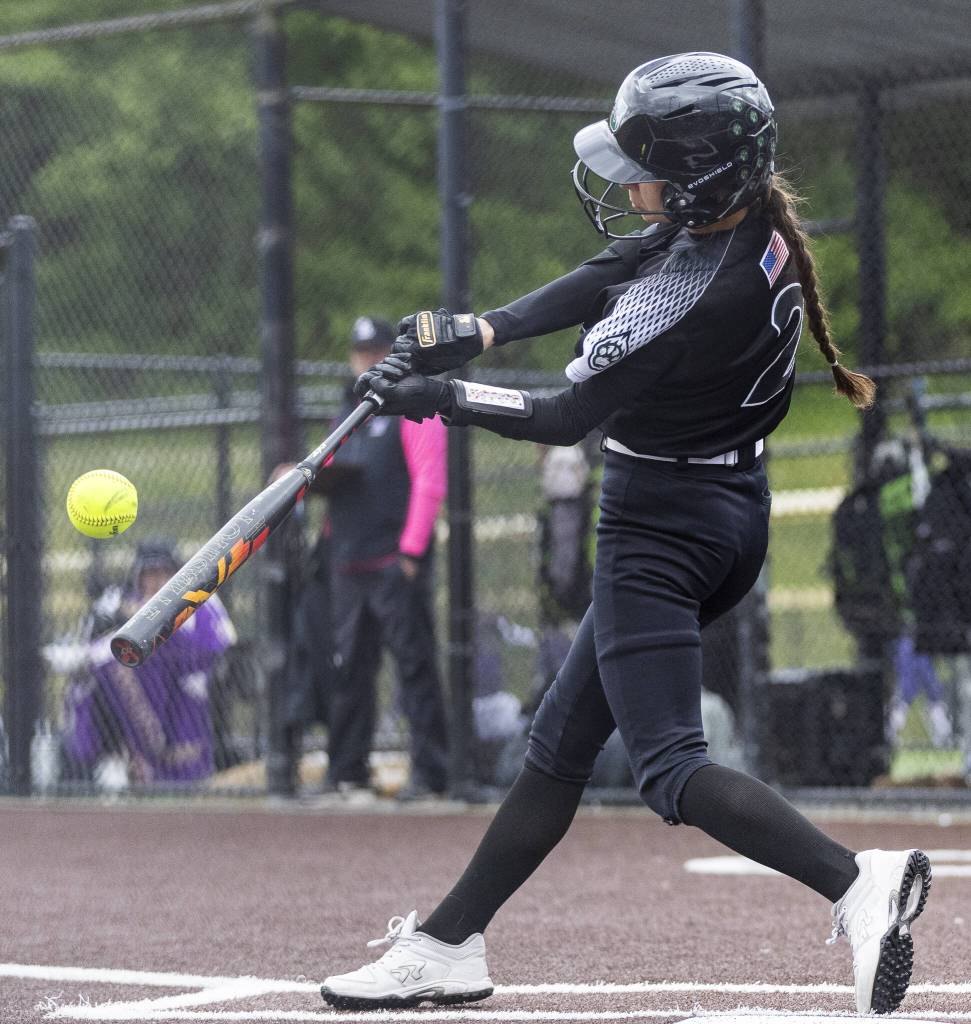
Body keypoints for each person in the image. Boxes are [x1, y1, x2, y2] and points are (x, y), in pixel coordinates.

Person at [320, 53, 931, 1016]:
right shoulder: (747, 223)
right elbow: (620, 265)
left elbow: (568, 415)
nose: (628, 186)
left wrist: (441, 397)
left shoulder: (692, 300)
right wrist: (482, 329)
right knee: (559, 747)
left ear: (699, 182)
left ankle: (857, 881)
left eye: (646, 172)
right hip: (722, 512)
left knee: (671, 768)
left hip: (660, 529)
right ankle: (447, 945)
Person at [320, 316, 450, 800]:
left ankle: (432, 774)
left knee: (414, 667)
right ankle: (347, 771)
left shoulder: (414, 405)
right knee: (349, 669)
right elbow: (329, 468)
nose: (368, 362)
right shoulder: (348, 410)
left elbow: (430, 481)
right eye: (361, 354)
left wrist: (411, 551)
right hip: (349, 561)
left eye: (376, 353)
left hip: (395, 559)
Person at [60, 538, 235, 787]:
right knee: (108, 668)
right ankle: (110, 762)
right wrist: (128, 615)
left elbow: (223, 646)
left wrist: (161, 627)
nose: (157, 581)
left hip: (188, 682)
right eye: (150, 573)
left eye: (164, 572)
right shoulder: (123, 601)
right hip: (137, 688)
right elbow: (94, 648)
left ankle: (167, 765)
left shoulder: (200, 597)